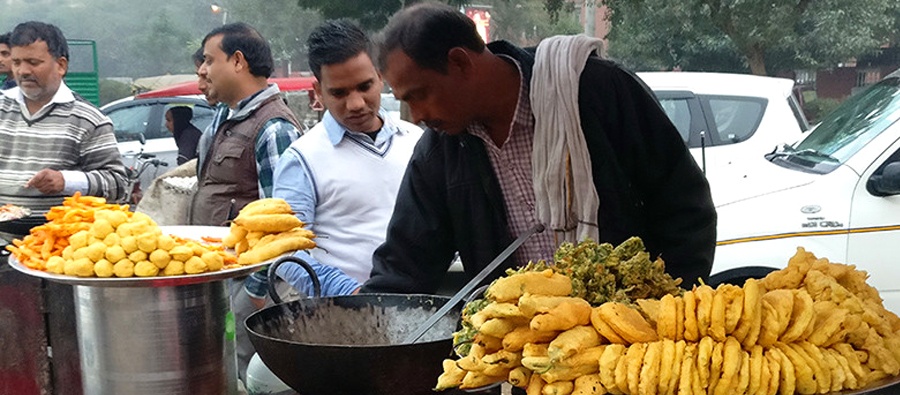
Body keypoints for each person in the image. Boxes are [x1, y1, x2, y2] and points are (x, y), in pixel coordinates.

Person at [361, 2, 717, 295]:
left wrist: (664, 306)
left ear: (460, 62)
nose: (418, 116)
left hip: (630, 349)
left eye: (420, 95)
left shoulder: (595, 93)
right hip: (531, 360)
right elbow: (405, 265)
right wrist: (367, 329)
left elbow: (685, 208)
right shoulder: (439, 154)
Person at [271, 19, 423, 298]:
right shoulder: (302, 158)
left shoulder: (417, 141)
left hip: (425, 306)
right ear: (318, 92)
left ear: (380, 77)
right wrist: (352, 294)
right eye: (339, 93)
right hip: (341, 320)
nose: (355, 104)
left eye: (364, 87)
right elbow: (286, 253)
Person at [0, 21, 128, 214]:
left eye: (33, 63)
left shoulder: (88, 119)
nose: (23, 71)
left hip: (60, 239)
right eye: (17, 63)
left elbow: (117, 184)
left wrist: (66, 181)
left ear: (61, 65)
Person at [189, 22, 302, 227]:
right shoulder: (224, 115)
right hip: (213, 255)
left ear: (238, 61)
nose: (203, 70)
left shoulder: (274, 129)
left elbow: (280, 224)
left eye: (209, 61)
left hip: (242, 259)